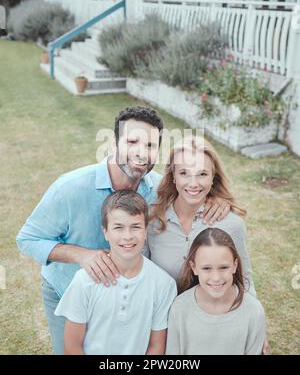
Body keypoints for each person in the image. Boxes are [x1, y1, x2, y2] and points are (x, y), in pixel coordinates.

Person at [16, 106, 229, 354]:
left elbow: (193, 189)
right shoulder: (69, 188)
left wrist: (215, 199)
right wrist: (82, 255)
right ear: (114, 144)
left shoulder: (159, 190)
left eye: (150, 145)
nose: (141, 153)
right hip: (68, 291)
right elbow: (28, 239)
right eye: (132, 141)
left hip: (128, 295)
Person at [55, 190, 177, 355]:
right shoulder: (84, 280)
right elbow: (73, 346)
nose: (127, 236)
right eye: (118, 228)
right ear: (105, 232)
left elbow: (156, 346)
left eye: (135, 227)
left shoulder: (163, 283)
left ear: (145, 230)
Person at [144, 136, 255, 295]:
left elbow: (244, 281)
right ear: (173, 176)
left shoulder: (232, 224)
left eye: (202, 174)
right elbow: (140, 274)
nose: (193, 183)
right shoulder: (152, 219)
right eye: (184, 173)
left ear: (213, 177)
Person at [166, 228, 266, 355]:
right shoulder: (179, 308)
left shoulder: (254, 311)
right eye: (207, 268)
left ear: (235, 265)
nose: (216, 278)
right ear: (194, 267)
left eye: (223, 267)